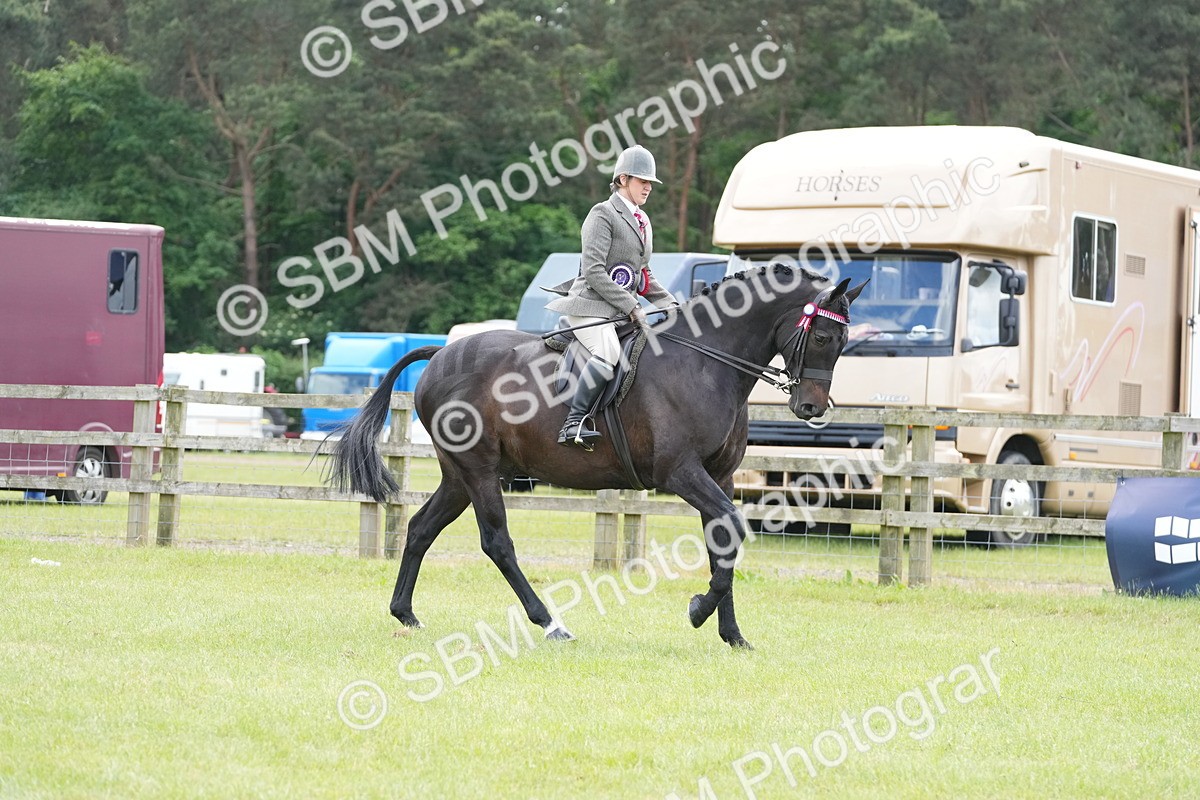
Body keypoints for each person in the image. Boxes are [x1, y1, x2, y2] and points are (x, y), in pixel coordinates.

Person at [545, 144, 679, 449]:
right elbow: (593, 271)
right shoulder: (602, 213)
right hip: (590, 304)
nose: (648, 187)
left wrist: (671, 304)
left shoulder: (643, 221)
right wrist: (633, 306)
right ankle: (573, 424)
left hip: (615, 311)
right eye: (642, 181)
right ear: (622, 179)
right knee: (607, 352)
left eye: (650, 183)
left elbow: (643, 276)